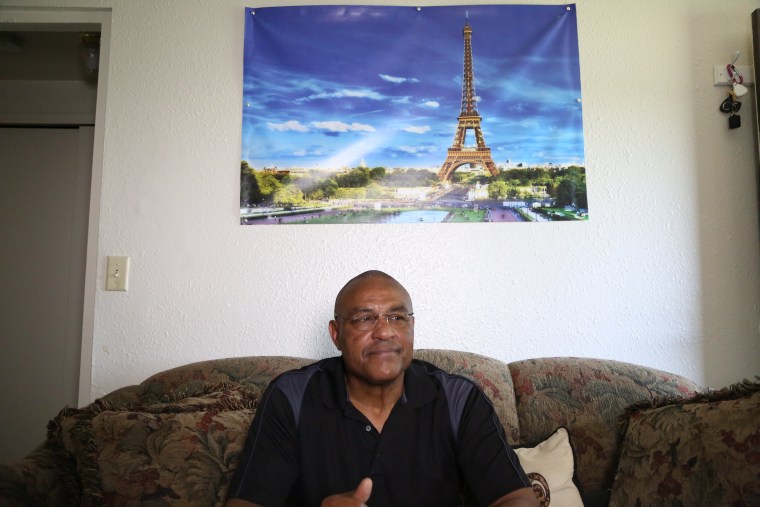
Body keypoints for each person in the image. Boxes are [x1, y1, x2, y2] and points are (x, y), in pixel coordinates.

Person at [226, 270, 538, 507]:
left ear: (411, 328)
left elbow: (516, 497)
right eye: (364, 319)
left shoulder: (460, 399)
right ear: (336, 334)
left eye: (397, 317)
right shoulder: (291, 397)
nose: (384, 331)